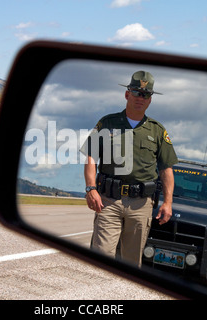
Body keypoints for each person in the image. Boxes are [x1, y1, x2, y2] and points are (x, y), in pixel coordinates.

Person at [81, 70, 178, 266]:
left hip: (141, 205)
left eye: (146, 95)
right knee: (101, 257)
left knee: (131, 263)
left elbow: (166, 169)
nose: (140, 98)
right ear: (127, 94)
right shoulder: (107, 123)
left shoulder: (157, 130)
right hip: (109, 201)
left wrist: (168, 203)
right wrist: (91, 188)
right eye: (136, 92)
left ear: (150, 100)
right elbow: (91, 157)